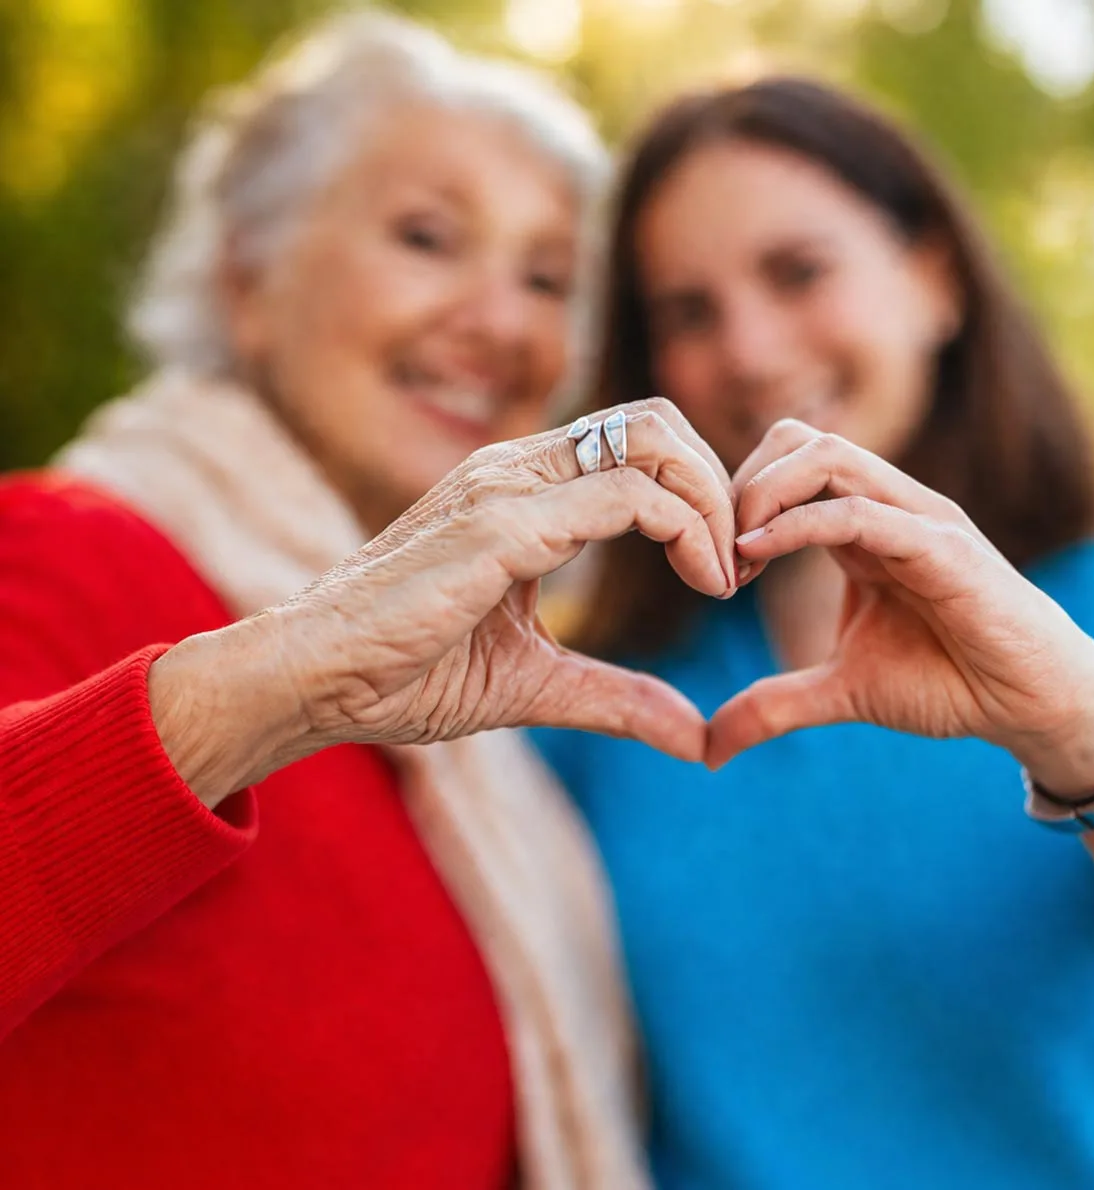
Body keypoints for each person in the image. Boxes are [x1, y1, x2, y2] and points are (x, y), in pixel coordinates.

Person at [533, 77, 1094, 1189]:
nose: (745, 347)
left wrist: (1086, 726)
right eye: (687, 311)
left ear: (934, 277)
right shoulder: (603, 692)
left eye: (798, 272)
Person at [0, 12, 738, 1187]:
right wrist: (289, 677)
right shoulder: (56, 549)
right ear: (249, 279)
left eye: (547, 277)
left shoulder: (499, 737)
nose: (501, 321)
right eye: (427, 237)